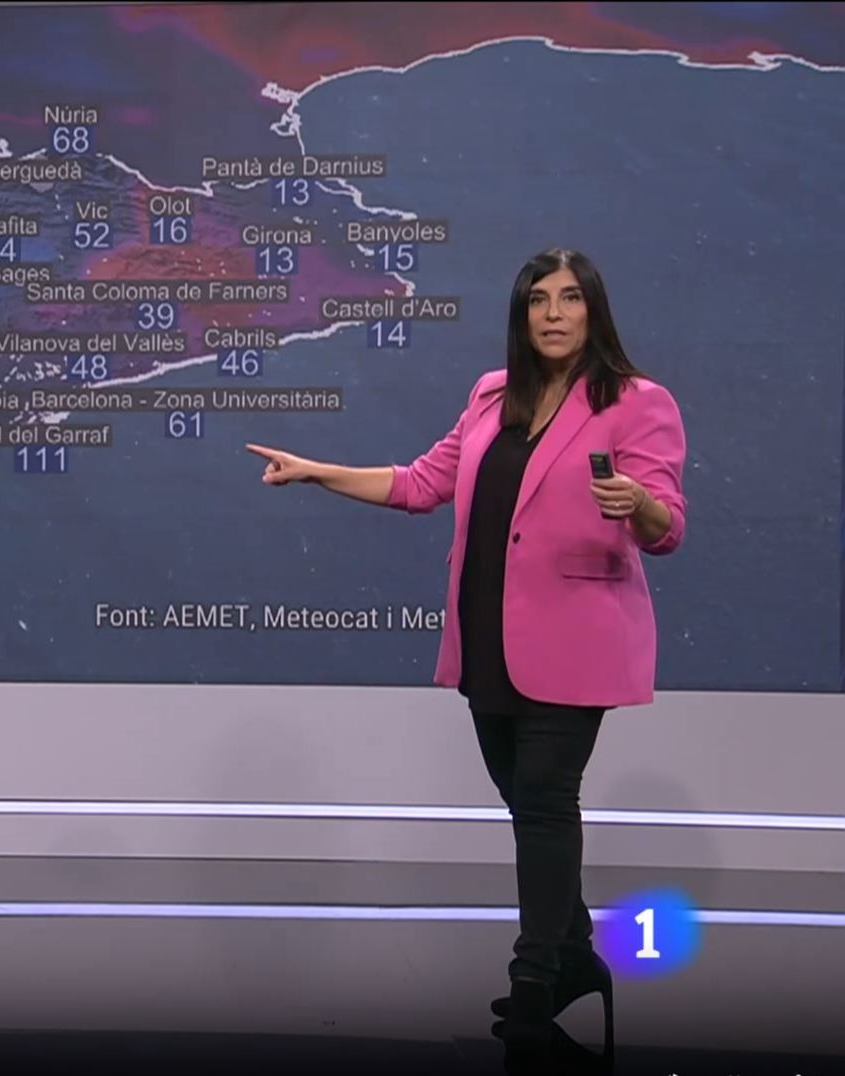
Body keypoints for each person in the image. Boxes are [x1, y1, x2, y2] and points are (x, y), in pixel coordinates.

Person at [245, 248, 687, 1064]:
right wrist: (315, 473)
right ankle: (574, 950)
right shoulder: (491, 394)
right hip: (487, 637)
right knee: (525, 803)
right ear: (521, 315)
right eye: (537, 300)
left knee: (545, 801)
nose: (553, 314)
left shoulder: (635, 402)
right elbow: (421, 484)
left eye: (569, 299)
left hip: (577, 639)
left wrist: (640, 505)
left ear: (593, 310)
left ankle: (533, 979)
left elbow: (666, 530)